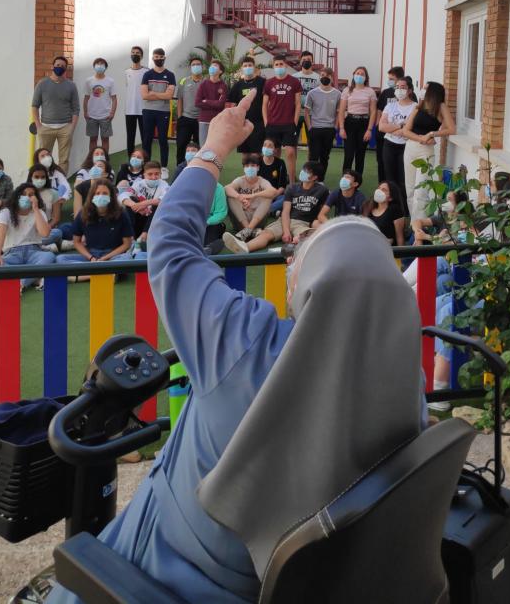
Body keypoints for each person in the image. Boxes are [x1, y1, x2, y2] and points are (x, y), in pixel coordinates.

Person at [46, 88, 425, 604]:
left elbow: (171, 245)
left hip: (166, 572)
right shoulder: (406, 388)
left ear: (305, 285)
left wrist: (214, 147)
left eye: (297, 264)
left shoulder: (245, 340)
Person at [223, 160, 328, 254]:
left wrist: (317, 224)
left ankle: (295, 247)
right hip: (284, 221)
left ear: (315, 177)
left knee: (306, 236)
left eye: (307, 171)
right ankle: (245, 247)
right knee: (266, 235)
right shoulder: (292, 188)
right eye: (303, 169)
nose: (303, 172)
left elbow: (322, 213)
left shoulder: (322, 190)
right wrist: (286, 231)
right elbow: (286, 211)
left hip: (303, 223)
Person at [402, 81, 455, 222]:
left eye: (425, 88)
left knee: (421, 191)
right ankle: (414, 225)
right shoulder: (418, 106)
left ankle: (420, 226)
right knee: (410, 190)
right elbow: (405, 131)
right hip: (411, 147)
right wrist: (421, 138)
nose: (422, 90)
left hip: (425, 151)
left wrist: (432, 134)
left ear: (432, 92)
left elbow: (451, 129)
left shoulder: (440, 106)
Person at [0, 184, 57, 292]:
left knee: (49, 256)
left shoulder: (39, 212)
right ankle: (34, 277)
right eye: (23, 194)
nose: (27, 197)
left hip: (34, 252)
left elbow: (45, 233)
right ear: (17, 196)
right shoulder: (5, 212)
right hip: (12, 253)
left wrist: (35, 208)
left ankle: (21, 282)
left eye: (31, 195)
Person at [59, 181, 134, 267]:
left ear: (111, 196)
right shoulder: (83, 213)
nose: (101, 196)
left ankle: (92, 270)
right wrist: (91, 258)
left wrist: (105, 258)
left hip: (113, 256)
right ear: (92, 196)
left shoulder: (121, 214)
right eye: (97, 193)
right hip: (91, 255)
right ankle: (101, 271)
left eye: (105, 193)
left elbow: (127, 244)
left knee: (126, 258)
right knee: (61, 259)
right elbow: (76, 242)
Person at [31, 55, 80, 174]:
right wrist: (39, 126)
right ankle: (44, 180)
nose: (60, 67)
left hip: (65, 128)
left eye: (63, 66)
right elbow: (34, 106)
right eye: (57, 65)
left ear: (65, 69)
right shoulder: (42, 84)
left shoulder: (71, 86)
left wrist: (71, 128)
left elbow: (76, 109)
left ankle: (62, 181)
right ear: (52, 66)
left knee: (64, 160)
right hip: (46, 128)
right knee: (44, 159)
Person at [262, 54, 302, 183]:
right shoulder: (269, 83)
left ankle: (291, 182)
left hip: (289, 124)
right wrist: (266, 122)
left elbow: (298, 104)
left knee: (290, 152)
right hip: (272, 124)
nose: (279, 66)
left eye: (281, 64)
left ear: (286, 65)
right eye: (277, 64)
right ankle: (275, 181)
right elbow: (264, 104)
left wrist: (295, 122)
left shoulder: (294, 82)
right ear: (273, 66)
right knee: (274, 153)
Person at [378, 76, 418, 198]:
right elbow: (381, 126)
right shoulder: (390, 106)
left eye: (403, 87)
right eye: (397, 87)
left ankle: (403, 206)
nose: (399, 90)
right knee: (390, 178)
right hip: (389, 145)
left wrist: (393, 128)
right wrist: (400, 126)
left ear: (409, 90)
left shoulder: (415, 107)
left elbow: (412, 128)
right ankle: (392, 203)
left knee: (403, 179)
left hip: (406, 146)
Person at [224, 154, 277, 243]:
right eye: (247, 166)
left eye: (253, 165)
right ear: (244, 168)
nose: (250, 168)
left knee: (268, 197)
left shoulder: (262, 181)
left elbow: (273, 191)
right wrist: (240, 197)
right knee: (231, 197)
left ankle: (248, 230)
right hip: (241, 220)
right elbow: (226, 188)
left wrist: (251, 196)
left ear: (258, 168)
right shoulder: (240, 180)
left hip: (258, 221)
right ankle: (249, 230)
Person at [338, 66, 377, 176]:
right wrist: (341, 128)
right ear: (354, 75)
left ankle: (357, 180)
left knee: (360, 155)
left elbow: (373, 111)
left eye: (362, 74)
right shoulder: (347, 90)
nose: (359, 76)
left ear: (366, 77)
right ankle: (345, 179)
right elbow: (341, 110)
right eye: (357, 73)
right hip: (350, 123)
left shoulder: (370, 92)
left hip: (364, 124)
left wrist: (369, 130)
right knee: (349, 155)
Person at [141, 49, 176, 168]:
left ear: (164, 58)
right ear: (153, 58)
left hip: (163, 112)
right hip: (148, 111)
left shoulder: (170, 75)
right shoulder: (147, 74)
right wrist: (161, 94)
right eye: (156, 57)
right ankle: (146, 166)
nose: (158, 59)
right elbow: (144, 95)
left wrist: (153, 93)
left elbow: (169, 96)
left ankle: (164, 167)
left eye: (161, 57)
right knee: (147, 139)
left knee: (163, 140)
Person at [304, 67, 341, 180]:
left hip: (329, 130)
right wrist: (310, 127)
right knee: (313, 157)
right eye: (322, 75)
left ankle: (320, 180)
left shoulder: (337, 94)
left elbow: (338, 112)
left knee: (325, 157)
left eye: (327, 75)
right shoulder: (312, 93)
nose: (324, 77)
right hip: (315, 129)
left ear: (331, 78)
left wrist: (335, 127)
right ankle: (310, 179)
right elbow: (306, 112)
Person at [118, 160, 169, 238]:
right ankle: (130, 235)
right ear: (144, 175)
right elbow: (123, 196)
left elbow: (165, 200)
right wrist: (135, 205)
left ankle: (145, 234)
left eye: (157, 174)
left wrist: (143, 204)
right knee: (131, 199)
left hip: (153, 219)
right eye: (150, 174)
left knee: (157, 205)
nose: (154, 177)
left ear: (161, 174)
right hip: (139, 214)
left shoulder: (164, 185)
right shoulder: (139, 183)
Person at [227, 56, 265, 153]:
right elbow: (231, 103)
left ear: (254, 67)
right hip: (242, 123)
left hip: (258, 124)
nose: (247, 67)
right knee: (245, 154)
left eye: (250, 65)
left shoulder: (262, 82)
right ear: (241, 68)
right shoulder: (238, 85)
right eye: (245, 66)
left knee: (256, 154)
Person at [376, 66, 406, 181]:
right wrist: (379, 124)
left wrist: (398, 129)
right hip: (384, 133)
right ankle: (382, 184)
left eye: (392, 79)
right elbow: (379, 110)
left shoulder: (407, 94)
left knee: (398, 165)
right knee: (381, 161)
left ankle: (396, 187)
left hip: (400, 136)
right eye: (389, 78)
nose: (389, 81)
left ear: (400, 79)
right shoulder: (386, 92)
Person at [83, 57, 117, 155]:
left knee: (105, 139)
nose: (99, 66)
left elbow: (114, 99)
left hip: (105, 116)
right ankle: (92, 160)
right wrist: (85, 112)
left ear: (105, 67)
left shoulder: (110, 81)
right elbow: (86, 98)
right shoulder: (89, 81)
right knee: (92, 139)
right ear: (94, 66)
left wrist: (112, 113)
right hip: (91, 115)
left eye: (102, 64)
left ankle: (104, 159)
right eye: (97, 64)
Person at [175, 56, 204, 163]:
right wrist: (180, 117)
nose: (196, 66)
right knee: (181, 145)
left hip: (201, 120)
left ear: (202, 67)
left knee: (200, 146)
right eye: (193, 65)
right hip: (185, 118)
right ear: (190, 67)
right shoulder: (183, 81)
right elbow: (180, 99)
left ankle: (198, 167)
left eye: (198, 64)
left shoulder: (206, 82)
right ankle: (180, 167)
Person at [26, 163, 63, 246]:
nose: (40, 179)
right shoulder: (24, 193)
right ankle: (41, 245)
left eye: (43, 177)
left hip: (47, 229)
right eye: (36, 177)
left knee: (58, 232)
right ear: (30, 177)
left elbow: (56, 218)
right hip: (29, 230)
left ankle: (36, 245)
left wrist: (46, 228)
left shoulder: (53, 193)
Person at [195, 59, 228, 145]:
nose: (212, 67)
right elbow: (197, 102)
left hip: (217, 120)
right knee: (203, 146)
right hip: (204, 120)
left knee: (216, 146)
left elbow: (221, 105)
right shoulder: (203, 84)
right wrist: (215, 103)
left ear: (220, 71)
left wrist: (206, 101)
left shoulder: (223, 86)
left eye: (215, 66)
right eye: (211, 66)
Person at [364, 181, 406, 246]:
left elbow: (399, 236)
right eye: (379, 188)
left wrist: (401, 252)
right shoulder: (368, 207)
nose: (379, 191)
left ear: (390, 198)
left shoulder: (395, 210)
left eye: (384, 190)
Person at [294, 50, 320, 145]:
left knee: (312, 143)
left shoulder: (318, 78)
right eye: (304, 59)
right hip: (296, 113)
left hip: (311, 114)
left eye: (309, 59)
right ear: (300, 61)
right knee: (293, 143)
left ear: (312, 62)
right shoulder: (294, 77)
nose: (306, 61)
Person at [124, 46, 146, 156]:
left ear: (141, 56)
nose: (135, 54)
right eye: (133, 52)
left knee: (145, 138)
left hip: (144, 110)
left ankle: (146, 162)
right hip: (129, 110)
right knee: (130, 137)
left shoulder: (147, 71)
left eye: (137, 53)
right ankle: (130, 161)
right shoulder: (126, 72)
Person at [258, 136, 289, 213]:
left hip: (275, 195)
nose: (266, 148)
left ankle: (264, 211)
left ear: (275, 149)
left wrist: (272, 196)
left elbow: (282, 187)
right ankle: (272, 211)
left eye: (270, 146)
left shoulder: (280, 163)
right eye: (265, 145)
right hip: (259, 194)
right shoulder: (257, 161)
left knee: (286, 198)